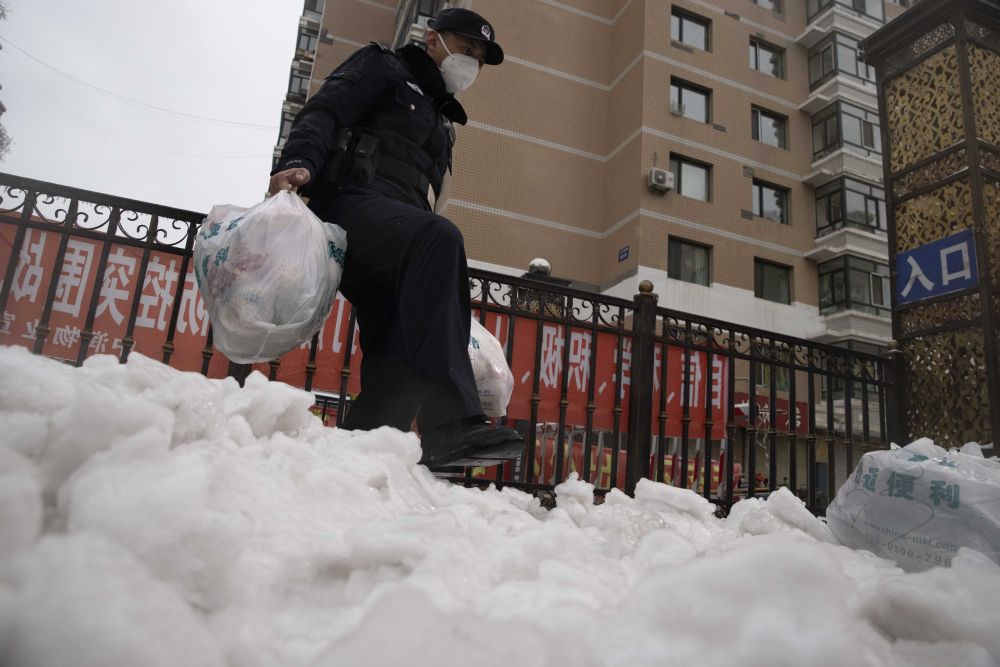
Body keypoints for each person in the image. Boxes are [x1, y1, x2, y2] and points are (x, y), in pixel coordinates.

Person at [268, 8, 523, 468]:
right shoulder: (384, 67)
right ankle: (450, 425)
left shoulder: (442, 118)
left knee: (403, 344)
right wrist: (299, 163)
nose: (471, 63)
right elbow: (326, 110)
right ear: (433, 39)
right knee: (441, 237)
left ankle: (362, 452)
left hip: (399, 234)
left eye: (479, 59)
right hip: (351, 204)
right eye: (465, 49)